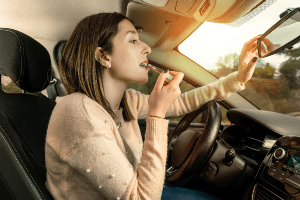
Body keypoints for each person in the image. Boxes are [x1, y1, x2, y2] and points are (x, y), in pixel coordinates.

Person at [45, 12, 260, 200]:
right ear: (103, 56)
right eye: (133, 41)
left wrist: (238, 77)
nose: (147, 48)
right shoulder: (78, 113)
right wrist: (156, 115)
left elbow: (182, 102)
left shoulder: (127, 100)